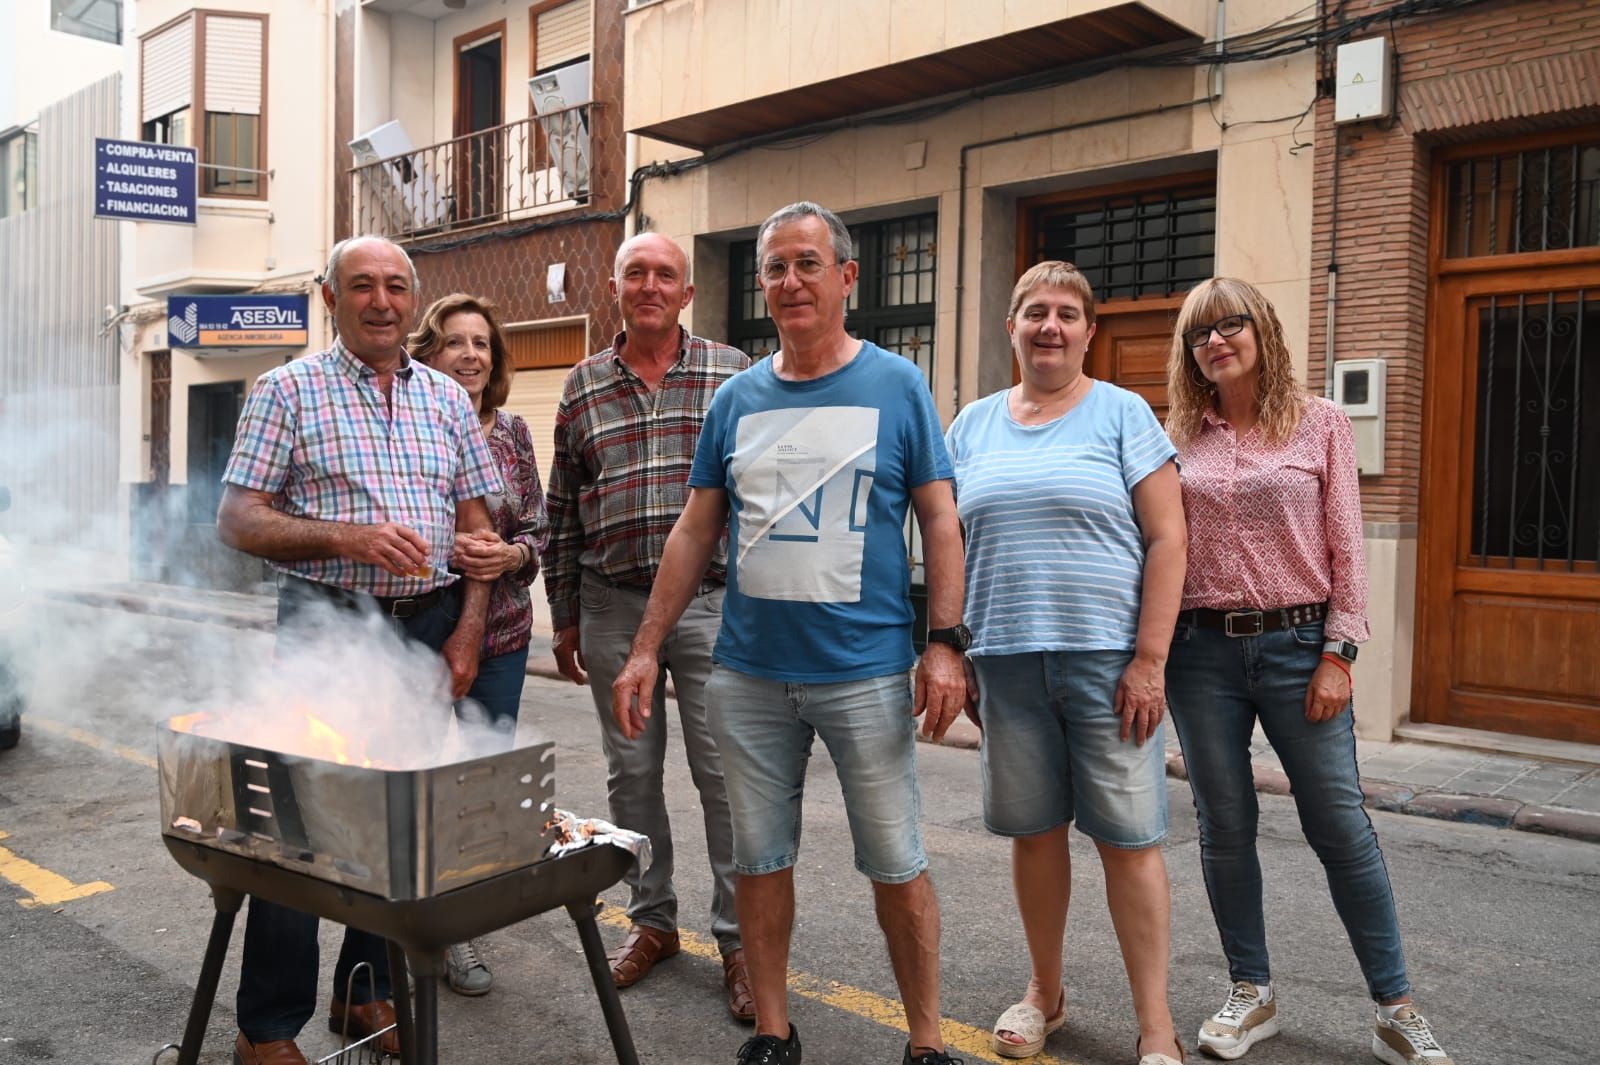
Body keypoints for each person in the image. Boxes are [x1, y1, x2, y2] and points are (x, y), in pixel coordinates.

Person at [611, 201, 969, 1065]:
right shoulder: (737, 398)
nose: (789, 281)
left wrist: (946, 641)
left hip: (867, 673)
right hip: (749, 676)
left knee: (895, 861)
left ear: (847, 277)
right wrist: (647, 645)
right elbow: (696, 531)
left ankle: (925, 1044)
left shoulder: (897, 384)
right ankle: (773, 1033)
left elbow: (941, 520)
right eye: (774, 267)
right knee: (759, 860)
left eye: (808, 263)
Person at [217, 235, 501, 1065]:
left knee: (397, 824)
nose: (381, 301)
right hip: (328, 623)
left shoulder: (447, 399)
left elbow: (479, 529)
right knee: (305, 829)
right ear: (330, 298)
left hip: (428, 621)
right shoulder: (286, 389)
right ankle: (265, 1029)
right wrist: (346, 534)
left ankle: (362, 988)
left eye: (395, 288)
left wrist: (468, 627)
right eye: (362, 286)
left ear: (413, 301)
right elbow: (238, 520)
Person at [1162, 277, 1453, 1065]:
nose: (1215, 341)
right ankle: (1250, 992)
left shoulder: (1319, 421)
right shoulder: (1179, 433)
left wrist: (1340, 652)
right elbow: (1159, 545)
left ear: (1261, 330)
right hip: (1202, 653)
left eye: (1230, 325)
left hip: (1300, 647)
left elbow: (1348, 544)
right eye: (1199, 333)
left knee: (1340, 825)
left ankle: (1396, 1008)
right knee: (1224, 825)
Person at [944, 262, 1187, 1065]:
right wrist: (951, 642)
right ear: (1011, 326)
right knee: (1035, 834)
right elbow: (949, 544)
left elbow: (1168, 538)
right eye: (1035, 313)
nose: (1050, 326)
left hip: (1109, 663)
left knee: (1129, 839)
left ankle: (1156, 1024)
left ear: (1089, 331)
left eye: (1066, 315)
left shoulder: (1123, 414)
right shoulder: (971, 425)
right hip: (1007, 663)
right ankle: (1044, 991)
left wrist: (1149, 659)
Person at [541, 232, 754, 1019]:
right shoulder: (582, 382)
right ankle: (652, 920)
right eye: (637, 272)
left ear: (687, 292)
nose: (651, 284)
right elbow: (561, 509)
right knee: (630, 775)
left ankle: (738, 940)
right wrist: (563, 613)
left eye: (666, 273)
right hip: (610, 602)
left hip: (712, 605)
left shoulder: (734, 372)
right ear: (616, 288)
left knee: (722, 776)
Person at [409, 292, 549, 997]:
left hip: (504, 636)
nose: (470, 354)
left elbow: (535, 530)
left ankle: (457, 930)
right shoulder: (412, 423)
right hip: (427, 630)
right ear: (427, 352)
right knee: (419, 776)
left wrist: (513, 558)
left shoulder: (514, 431)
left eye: (482, 344)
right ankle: (413, 925)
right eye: (455, 341)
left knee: (479, 784)